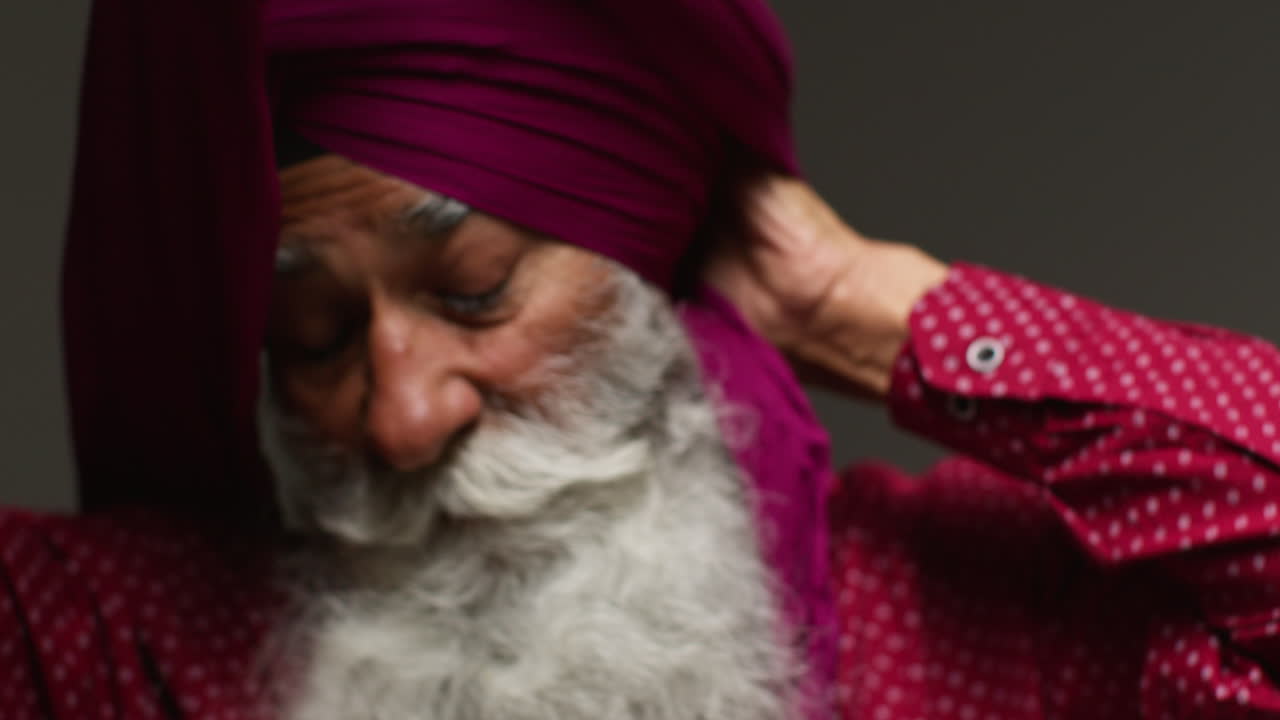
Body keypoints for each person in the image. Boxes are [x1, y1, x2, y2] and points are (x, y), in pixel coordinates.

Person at [2, 2, 1278, 720]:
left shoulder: (974, 629)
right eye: (315, 340)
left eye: (475, 290)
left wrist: (860, 308)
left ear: (640, 258)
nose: (399, 419)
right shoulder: (134, 648)